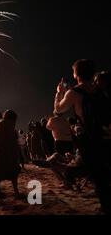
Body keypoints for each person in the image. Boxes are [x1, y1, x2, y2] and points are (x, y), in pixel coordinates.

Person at [54, 59, 111, 213]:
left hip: (89, 140)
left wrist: (59, 92)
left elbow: (58, 110)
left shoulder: (74, 92)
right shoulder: (99, 89)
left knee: (96, 174)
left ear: (76, 74)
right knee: (104, 172)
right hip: (106, 136)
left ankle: (105, 206)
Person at [0, 110, 21, 199]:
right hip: (9, 153)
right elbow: (12, 139)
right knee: (13, 172)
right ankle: (16, 191)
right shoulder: (9, 126)